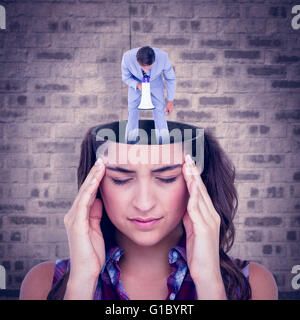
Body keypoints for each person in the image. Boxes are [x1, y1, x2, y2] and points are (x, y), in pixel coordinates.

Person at [19, 120, 278, 300]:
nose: (144, 203)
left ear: (197, 183)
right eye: (121, 179)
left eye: (167, 179)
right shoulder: (43, 283)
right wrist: (81, 282)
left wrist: (210, 282)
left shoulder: (253, 284)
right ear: (94, 186)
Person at [121, 46, 176, 143]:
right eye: (143, 67)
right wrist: (137, 85)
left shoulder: (163, 57)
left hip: (155, 84)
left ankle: (163, 145)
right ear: (137, 61)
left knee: (160, 113)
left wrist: (170, 100)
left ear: (154, 60)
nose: (146, 70)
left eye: (149, 67)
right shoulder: (127, 58)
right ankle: (130, 144)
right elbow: (126, 77)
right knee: (132, 113)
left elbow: (170, 78)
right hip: (136, 84)